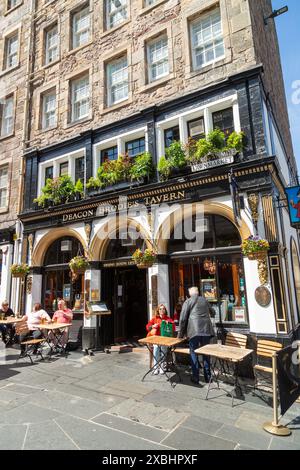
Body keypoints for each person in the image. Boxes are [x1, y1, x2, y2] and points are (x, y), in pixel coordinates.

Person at [178, 287, 215, 385]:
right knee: (206, 352)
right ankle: (208, 376)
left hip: (194, 330)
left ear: (190, 294)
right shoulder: (204, 300)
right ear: (197, 292)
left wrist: (180, 334)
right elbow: (213, 312)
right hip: (206, 330)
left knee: (193, 352)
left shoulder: (188, 301)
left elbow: (182, 319)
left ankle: (196, 377)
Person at [146, 304, 175, 375]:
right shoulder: (155, 318)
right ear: (158, 311)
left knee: (163, 349)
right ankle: (156, 367)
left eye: (163, 309)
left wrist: (169, 324)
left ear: (165, 310)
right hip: (156, 339)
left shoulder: (168, 318)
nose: (162, 310)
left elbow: (173, 327)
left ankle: (162, 367)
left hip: (164, 340)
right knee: (156, 348)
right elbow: (147, 327)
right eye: (160, 309)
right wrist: (153, 326)